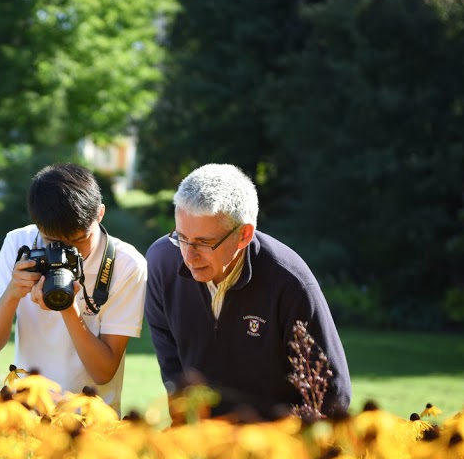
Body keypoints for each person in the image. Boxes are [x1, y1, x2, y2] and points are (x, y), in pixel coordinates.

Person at [144, 163, 351, 421]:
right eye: (181, 237)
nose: (188, 255)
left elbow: (330, 393)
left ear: (244, 235)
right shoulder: (160, 263)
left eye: (204, 243)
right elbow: (172, 364)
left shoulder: (290, 283)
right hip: (201, 440)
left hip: (275, 445)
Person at [0, 163, 147, 414]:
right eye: (53, 243)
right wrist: (12, 292)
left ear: (99, 214)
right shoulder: (19, 243)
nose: (68, 253)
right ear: (37, 225)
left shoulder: (126, 264)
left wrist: (68, 309)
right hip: (27, 414)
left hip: (91, 424)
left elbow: (103, 373)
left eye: (78, 240)